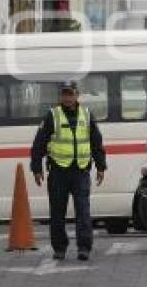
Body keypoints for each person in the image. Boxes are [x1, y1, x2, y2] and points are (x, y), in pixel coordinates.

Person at [30, 80, 107, 262]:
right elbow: (39, 143)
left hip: (80, 170)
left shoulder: (87, 115)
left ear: (77, 95)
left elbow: (96, 142)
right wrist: (36, 168)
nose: (67, 97)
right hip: (58, 171)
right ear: (60, 96)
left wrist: (101, 166)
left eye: (70, 94)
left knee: (83, 211)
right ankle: (59, 248)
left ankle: (84, 248)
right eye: (64, 94)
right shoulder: (52, 115)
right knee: (57, 212)